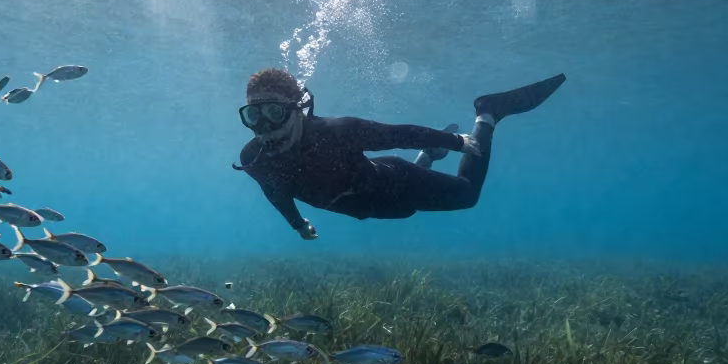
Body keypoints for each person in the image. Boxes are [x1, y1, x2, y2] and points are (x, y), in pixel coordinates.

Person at [234, 68, 565, 239]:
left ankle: (489, 113)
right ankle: (428, 156)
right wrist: (297, 225)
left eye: (274, 113)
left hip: (398, 183)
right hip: (378, 206)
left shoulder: (336, 131)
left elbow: (397, 134)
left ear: (296, 111)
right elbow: (275, 192)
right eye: (253, 115)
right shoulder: (254, 159)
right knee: (408, 208)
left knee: (467, 195)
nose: (264, 127)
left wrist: (456, 141)